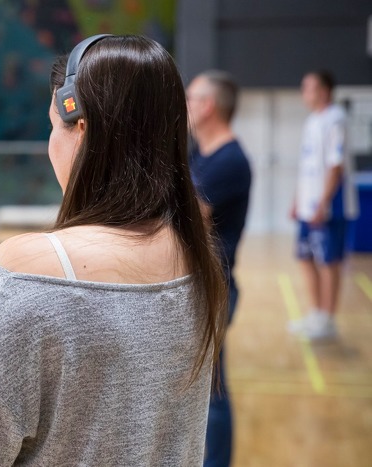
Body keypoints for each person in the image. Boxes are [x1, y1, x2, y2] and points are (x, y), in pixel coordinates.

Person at [0, 34, 227, 465]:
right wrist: (2, 294)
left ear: (81, 128)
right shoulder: (195, 255)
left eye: (53, 124)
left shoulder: (25, 266)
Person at [186, 70, 252, 467]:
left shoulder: (230, 160)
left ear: (208, 106)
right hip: (199, 284)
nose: (186, 105)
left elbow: (191, 216)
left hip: (215, 287)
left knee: (212, 393)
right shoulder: (201, 153)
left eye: (191, 98)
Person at [288, 70, 358, 340]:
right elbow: (307, 166)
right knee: (306, 257)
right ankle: (316, 314)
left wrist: (323, 202)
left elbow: (335, 165)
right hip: (308, 207)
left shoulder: (335, 119)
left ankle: (328, 320)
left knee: (329, 262)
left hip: (330, 207)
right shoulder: (312, 121)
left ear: (324, 91)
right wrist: (298, 200)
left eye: (309, 87)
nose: (304, 93)